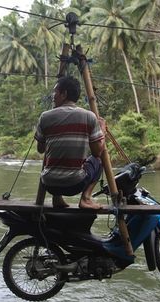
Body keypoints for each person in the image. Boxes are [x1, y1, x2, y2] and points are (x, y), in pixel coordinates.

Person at [34, 76, 106, 209]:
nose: (53, 96)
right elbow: (97, 152)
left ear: (64, 94)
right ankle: (85, 199)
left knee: (52, 156)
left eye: (55, 92)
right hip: (75, 184)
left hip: (48, 184)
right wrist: (102, 131)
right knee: (98, 160)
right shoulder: (89, 116)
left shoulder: (45, 116)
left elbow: (40, 149)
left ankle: (57, 198)